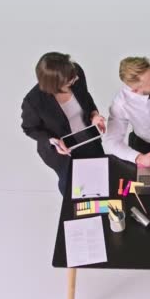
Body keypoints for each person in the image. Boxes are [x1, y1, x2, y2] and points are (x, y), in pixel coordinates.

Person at [21, 52, 106, 196]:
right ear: (54, 84)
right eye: (70, 81)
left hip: (88, 138)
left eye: (75, 76)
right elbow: (29, 128)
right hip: (63, 152)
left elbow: (86, 96)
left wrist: (94, 115)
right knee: (73, 188)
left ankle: (101, 210)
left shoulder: (75, 73)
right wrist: (52, 141)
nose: (76, 79)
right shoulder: (33, 101)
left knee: (99, 178)